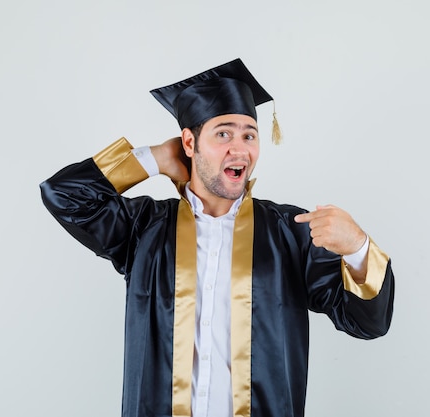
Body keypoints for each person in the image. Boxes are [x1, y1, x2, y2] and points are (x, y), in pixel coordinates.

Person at [40, 58, 395, 417]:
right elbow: (63, 194)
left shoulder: (292, 230)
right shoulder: (144, 228)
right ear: (189, 143)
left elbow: (368, 323)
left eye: (249, 135)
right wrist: (157, 159)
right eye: (223, 133)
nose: (239, 149)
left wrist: (357, 248)